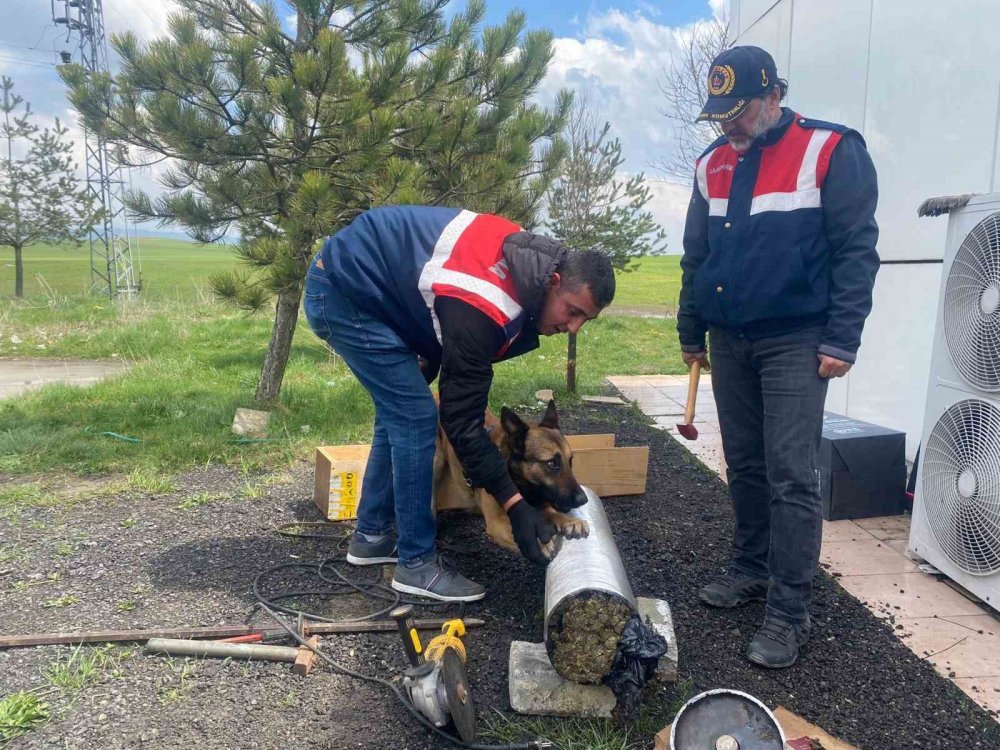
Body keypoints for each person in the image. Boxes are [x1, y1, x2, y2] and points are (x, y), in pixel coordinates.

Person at [677, 46, 879, 667]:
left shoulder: (831, 149)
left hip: (796, 339)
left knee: (791, 473)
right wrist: (692, 330)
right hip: (729, 339)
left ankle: (790, 608)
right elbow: (696, 254)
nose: (728, 127)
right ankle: (750, 567)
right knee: (744, 463)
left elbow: (856, 250)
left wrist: (842, 337)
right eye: (720, 115)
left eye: (738, 113)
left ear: (772, 96)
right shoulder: (710, 163)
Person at [304, 206, 615, 602]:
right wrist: (515, 504)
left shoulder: (525, 267)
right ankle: (415, 564)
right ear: (553, 282)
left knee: (401, 409)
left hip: (377, 289)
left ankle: (371, 536)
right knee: (418, 416)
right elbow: (461, 421)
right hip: (346, 291)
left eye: (585, 320)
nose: (573, 328)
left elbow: (438, 305)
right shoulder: (487, 303)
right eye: (573, 312)